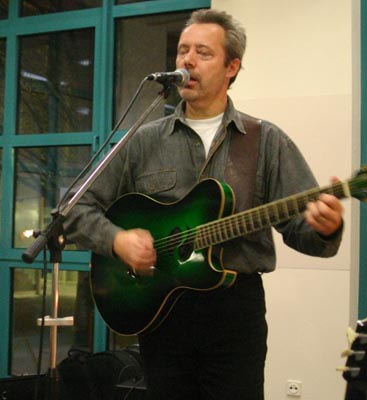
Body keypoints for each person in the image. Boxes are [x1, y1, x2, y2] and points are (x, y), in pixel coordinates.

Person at [64, 8, 344, 400]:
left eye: (203, 52)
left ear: (232, 67)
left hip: (234, 312)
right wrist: (117, 240)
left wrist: (325, 228)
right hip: (162, 314)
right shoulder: (144, 140)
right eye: (182, 51)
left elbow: (303, 233)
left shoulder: (266, 141)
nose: (187, 61)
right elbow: (75, 207)